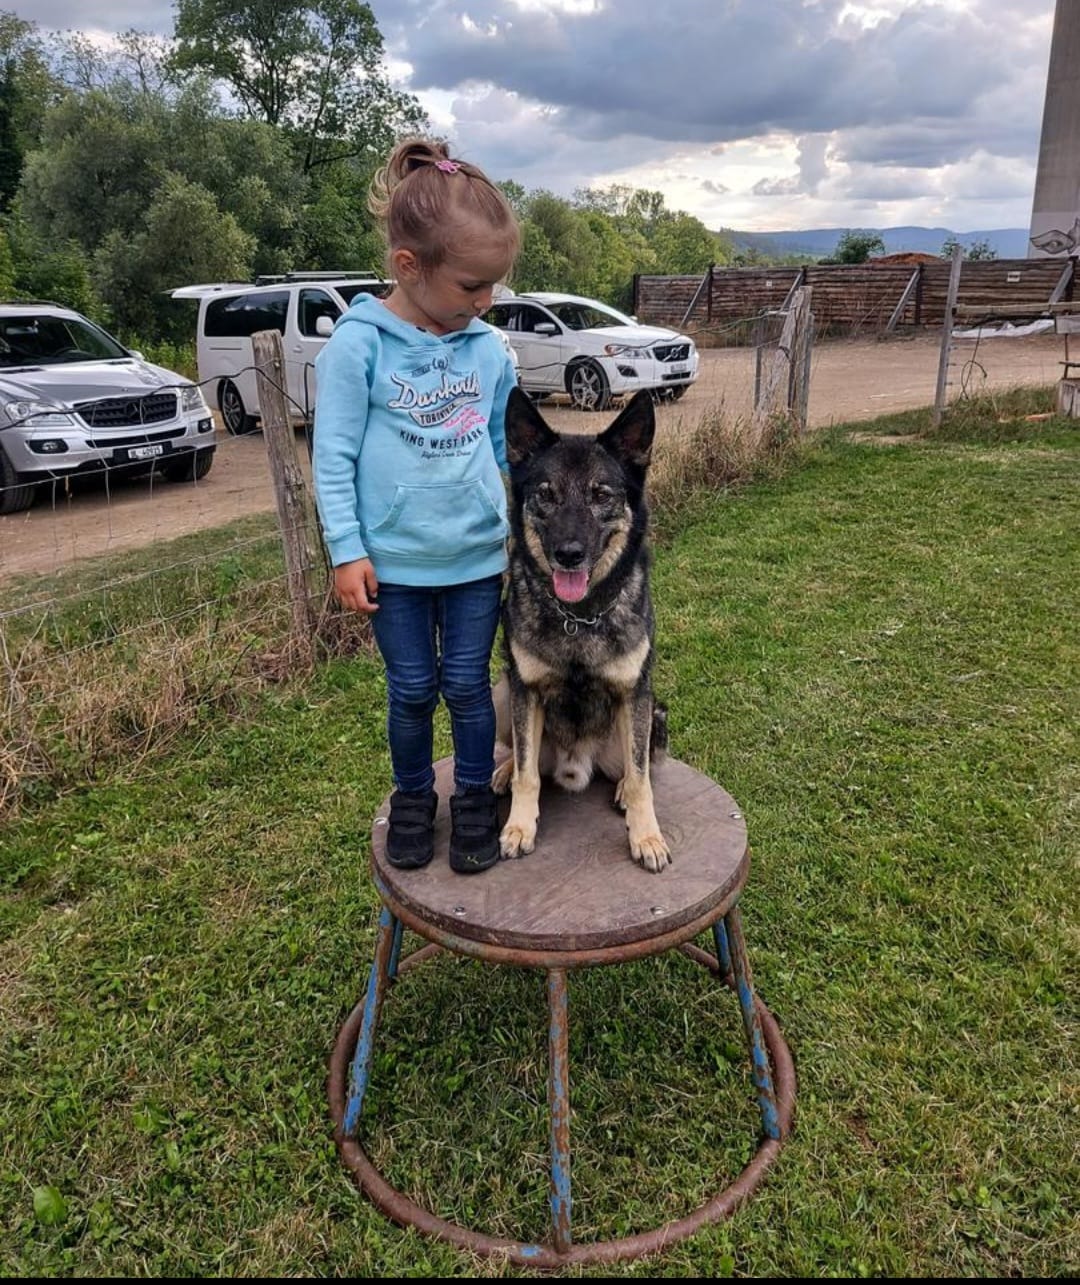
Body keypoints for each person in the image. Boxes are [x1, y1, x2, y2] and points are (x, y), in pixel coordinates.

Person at [313, 137, 520, 875]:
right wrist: (346, 548)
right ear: (409, 266)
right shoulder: (356, 348)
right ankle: (411, 796)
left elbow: (501, 449)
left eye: (494, 285)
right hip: (394, 566)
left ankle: (471, 798)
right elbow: (331, 457)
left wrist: (520, 529)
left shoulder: (490, 352)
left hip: (472, 560)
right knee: (410, 691)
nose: (485, 301)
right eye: (471, 286)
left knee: (468, 688)